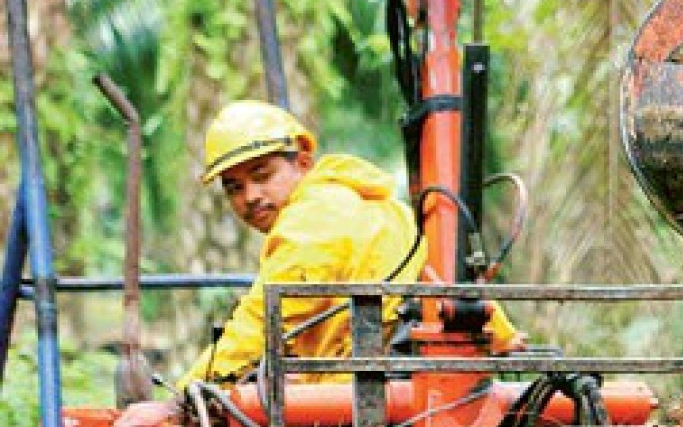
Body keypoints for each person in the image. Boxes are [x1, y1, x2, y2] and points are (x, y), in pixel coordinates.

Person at [177, 99, 522, 388]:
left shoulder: (313, 220)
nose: (250, 196)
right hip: (406, 380)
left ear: (302, 162)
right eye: (234, 187)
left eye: (262, 176)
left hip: (371, 402)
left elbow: (262, 322)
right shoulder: (371, 203)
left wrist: (187, 395)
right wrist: (504, 336)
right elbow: (443, 275)